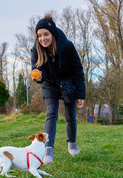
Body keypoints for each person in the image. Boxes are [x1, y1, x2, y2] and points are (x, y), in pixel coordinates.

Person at [30, 13, 86, 164]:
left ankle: (72, 145)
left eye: (46, 34)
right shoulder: (36, 49)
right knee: (52, 113)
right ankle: (48, 150)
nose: (43, 39)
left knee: (70, 116)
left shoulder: (67, 46)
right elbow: (36, 68)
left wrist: (80, 94)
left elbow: (77, 70)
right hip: (49, 84)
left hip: (68, 83)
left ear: (53, 34)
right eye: (39, 35)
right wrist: (38, 76)